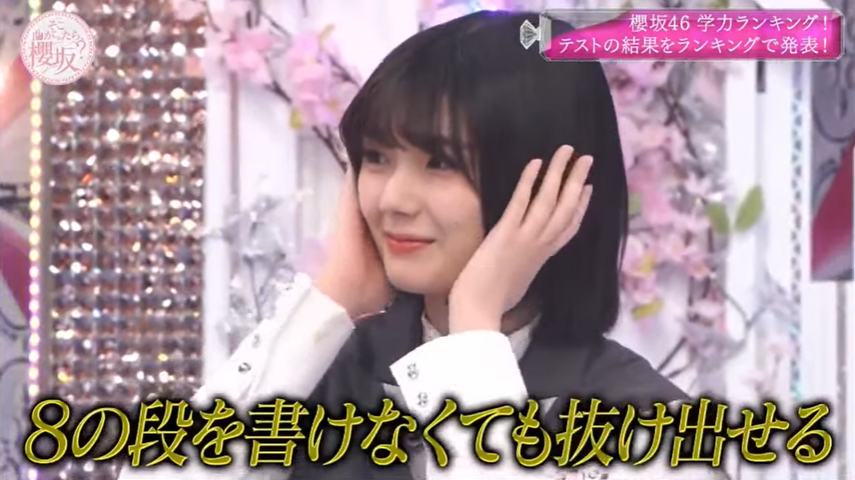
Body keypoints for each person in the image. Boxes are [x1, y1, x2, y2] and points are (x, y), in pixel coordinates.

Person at [118, 10, 698, 480]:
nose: (393, 198)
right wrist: (331, 298)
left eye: (440, 163)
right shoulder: (321, 373)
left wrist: (474, 328)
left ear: (554, 187)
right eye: (376, 158)